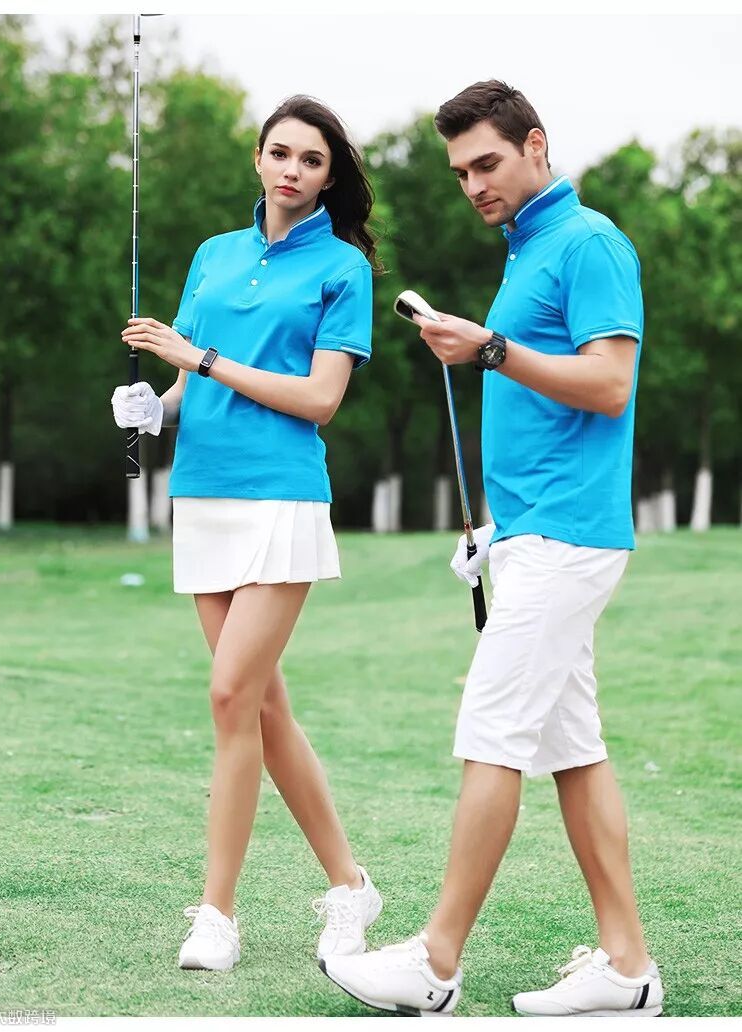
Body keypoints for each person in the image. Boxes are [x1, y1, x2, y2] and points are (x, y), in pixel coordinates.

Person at [320, 80, 664, 1017]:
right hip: (531, 535)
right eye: (461, 172)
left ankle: (433, 964)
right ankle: (627, 968)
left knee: (492, 736)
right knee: (574, 750)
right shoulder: (527, 250)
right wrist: (493, 531)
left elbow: (610, 385)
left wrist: (491, 350)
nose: (474, 185)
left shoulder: (590, 243)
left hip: (568, 537)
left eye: (488, 163)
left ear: (535, 146)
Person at [111, 95, 383, 973]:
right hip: (204, 496)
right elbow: (191, 388)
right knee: (262, 707)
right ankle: (349, 885)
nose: (292, 169)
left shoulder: (342, 268)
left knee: (232, 695)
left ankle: (216, 914)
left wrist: (199, 360)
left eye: (311, 159)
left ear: (329, 177)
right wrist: (154, 409)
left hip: (281, 498)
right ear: (259, 159)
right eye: (280, 152)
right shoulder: (213, 255)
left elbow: (320, 399)